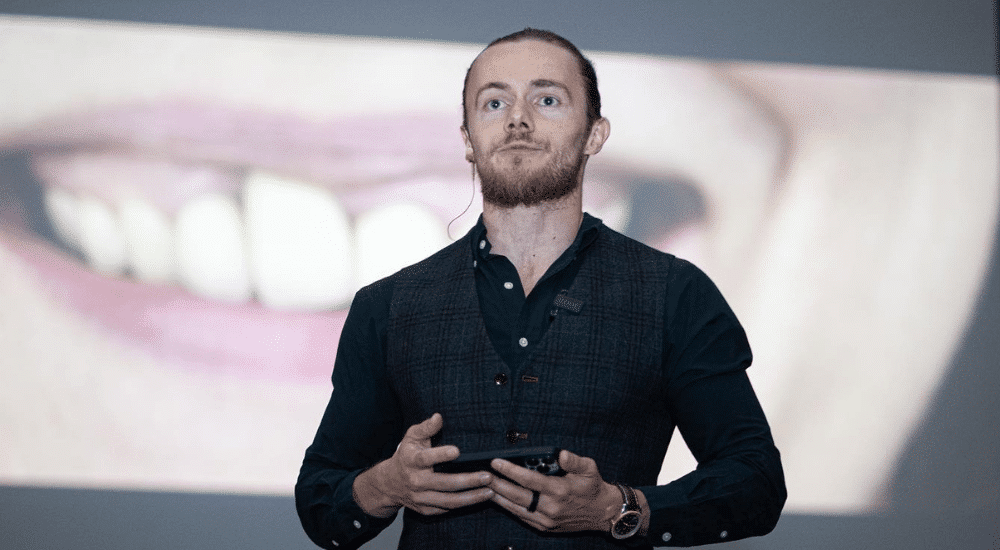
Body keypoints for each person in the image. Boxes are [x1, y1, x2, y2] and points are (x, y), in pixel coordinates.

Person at [295, 28, 786, 549]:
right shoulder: (388, 306)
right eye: (494, 102)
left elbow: (755, 483)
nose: (517, 119)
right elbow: (321, 501)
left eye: (547, 99)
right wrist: (385, 485)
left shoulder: (674, 294)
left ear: (594, 134)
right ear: (467, 139)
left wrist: (621, 508)